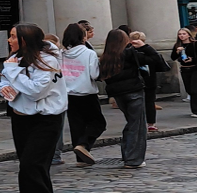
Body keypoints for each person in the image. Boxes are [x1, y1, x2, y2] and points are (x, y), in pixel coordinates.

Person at [0, 23, 67, 193]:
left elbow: (36, 91)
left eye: (13, 36)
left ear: (25, 39)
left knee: (31, 167)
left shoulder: (47, 60)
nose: (9, 40)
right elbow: (5, 82)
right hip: (21, 118)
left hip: (45, 119)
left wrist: (13, 73)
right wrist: (4, 88)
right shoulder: (14, 59)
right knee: (35, 169)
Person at [98, 29, 148, 169]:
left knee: (132, 122)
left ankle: (128, 153)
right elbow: (157, 61)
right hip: (133, 90)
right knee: (137, 124)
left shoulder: (106, 57)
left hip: (118, 93)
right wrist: (144, 47)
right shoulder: (129, 53)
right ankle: (133, 158)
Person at [59, 22, 104, 165]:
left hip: (69, 94)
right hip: (86, 93)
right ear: (82, 37)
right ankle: (83, 145)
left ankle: (81, 158)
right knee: (98, 123)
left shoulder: (61, 54)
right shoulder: (89, 53)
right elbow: (94, 74)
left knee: (76, 125)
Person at [128, 31, 165, 128]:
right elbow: (157, 59)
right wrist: (146, 47)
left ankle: (147, 123)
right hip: (142, 80)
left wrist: (145, 47)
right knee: (148, 102)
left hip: (145, 80)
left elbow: (158, 61)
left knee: (146, 102)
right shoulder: (131, 51)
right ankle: (150, 123)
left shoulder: (144, 52)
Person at [170, 28, 197, 117]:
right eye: (180, 34)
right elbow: (173, 57)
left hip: (196, 68)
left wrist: (193, 59)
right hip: (185, 69)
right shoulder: (177, 45)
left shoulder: (196, 44)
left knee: (194, 89)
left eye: (184, 34)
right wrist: (177, 52)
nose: (181, 36)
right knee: (189, 90)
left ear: (189, 35)